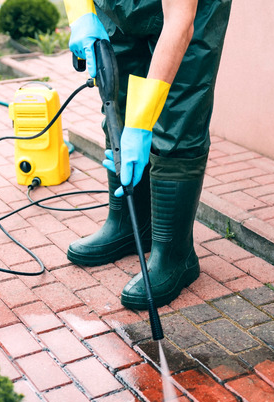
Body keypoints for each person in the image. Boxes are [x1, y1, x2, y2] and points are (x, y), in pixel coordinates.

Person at [63, 0, 232, 310]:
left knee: (178, 117)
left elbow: (179, 21)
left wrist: (141, 127)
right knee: (119, 96)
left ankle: (174, 255)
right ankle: (128, 224)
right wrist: (80, 14)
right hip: (118, 9)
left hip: (188, 16)